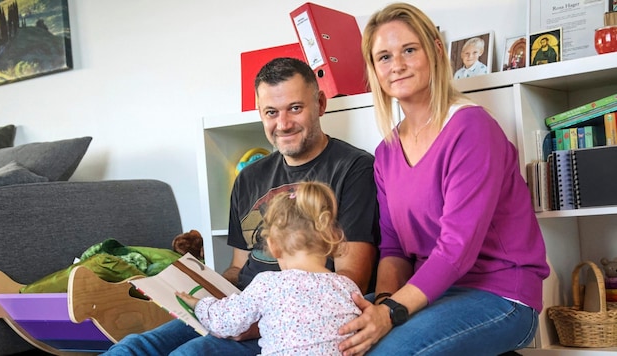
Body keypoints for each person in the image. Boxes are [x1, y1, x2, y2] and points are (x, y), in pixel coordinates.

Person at [103, 57, 378, 355]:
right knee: (136, 346)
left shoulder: (354, 168)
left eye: (295, 108)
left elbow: (352, 280)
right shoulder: (250, 177)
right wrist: (203, 287)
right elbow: (238, 267)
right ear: (260, 113)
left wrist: (265, 317)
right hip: (240, 306)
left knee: (190, 353)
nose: (283, 124)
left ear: (320, 104)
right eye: (271, 112)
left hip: (289, 326)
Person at [338, 3, 550, 355]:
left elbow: (456, 251)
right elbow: (393, 250)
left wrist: (389, 314)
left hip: (500, 295)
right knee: (327, 337)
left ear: (435, 50)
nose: (398, 65)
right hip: (428, 293)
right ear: (375, 70)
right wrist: (385, 303)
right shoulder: (387, 152)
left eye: (409, 50)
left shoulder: (472, 129)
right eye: (384, 57)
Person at [176, 181, 362, 355]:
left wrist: (200, 304)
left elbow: (224, 322)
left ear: (273, 246)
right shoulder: (348, 287)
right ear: (330, 241)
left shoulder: (268, 284)